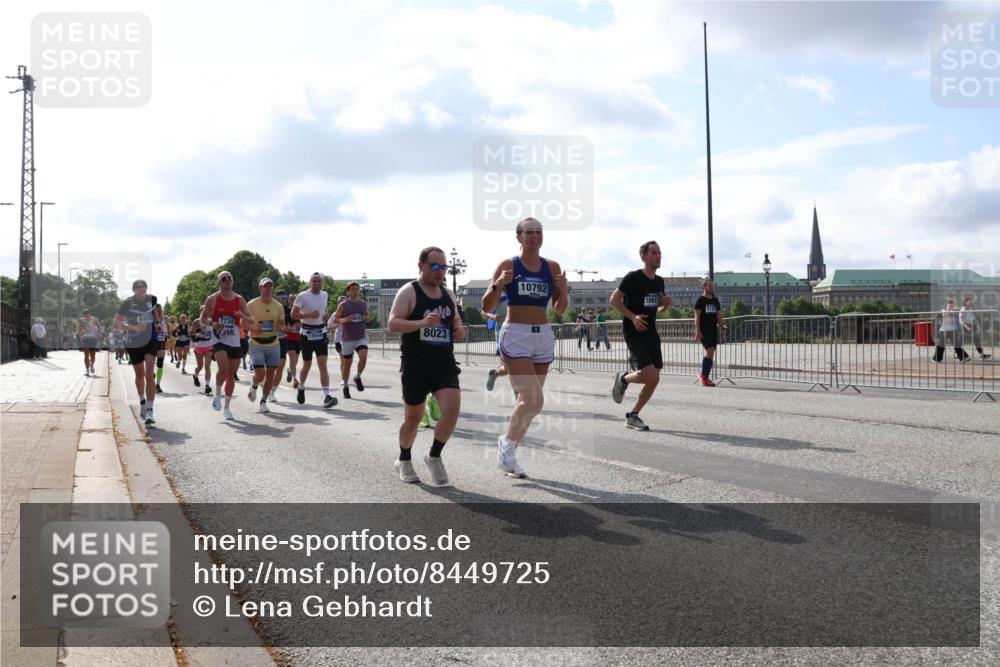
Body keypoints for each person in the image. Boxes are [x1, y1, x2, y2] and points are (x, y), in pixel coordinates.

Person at [482, 217, 568, 478]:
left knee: (527, 402)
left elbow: (559, 309)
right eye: (529, 232)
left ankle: (509, 449)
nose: (535, 236)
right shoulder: (508, 264)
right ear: (518, 237)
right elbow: (487, 305)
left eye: (538, 232)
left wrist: (564, 291)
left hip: (542, 336)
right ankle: (507, 447)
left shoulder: (552, 266)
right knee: (534, 399)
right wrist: (499, 284)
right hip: (516, 334)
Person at [388, 247, 467, 484]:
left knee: (451, 412)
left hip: (443, 362)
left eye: (443, 267)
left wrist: (459, 329)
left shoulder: (449, 295)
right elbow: (393, 323)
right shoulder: (408, 292)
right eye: (435, 266)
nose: (440, 271)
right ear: (421, 265)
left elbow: (456, 323)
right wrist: (422, 322)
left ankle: (433, 456)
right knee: (413, 418)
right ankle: (403, 459)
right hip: (416, 364)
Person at [610, 241, 672, 431]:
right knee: (649, 374)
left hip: (651, 332)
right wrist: (633, 317)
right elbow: (614, 300)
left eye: (659, 253)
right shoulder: (633, 277)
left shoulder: (659, 281)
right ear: (644, 257)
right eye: (654, 253)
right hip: (633, 331)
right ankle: (623, 380)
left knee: (655, 377)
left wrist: (665, 306)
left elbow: (657, 309)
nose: (658, 256)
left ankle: (633, 415)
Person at [200, 271, 257, 420]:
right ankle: (217, 393)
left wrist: (242, 316)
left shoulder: (239, 299)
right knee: (223, 370)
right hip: (219, 340)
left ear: (232, 282)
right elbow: (203, 318)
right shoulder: (212, 299)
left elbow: (252, 320)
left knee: (231, 375)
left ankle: (226, 407)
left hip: (234, 341)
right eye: (223, 279)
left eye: (229, 278)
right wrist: (213, 323)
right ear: (219, 283)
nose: (226, 281)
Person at [114, 279, 159, 425]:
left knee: (149, 373)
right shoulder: (127, 303)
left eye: (144, 287)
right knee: (139, 375)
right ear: (134, 290)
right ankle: (142, 402)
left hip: (150, 340)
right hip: (134, 342)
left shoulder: (152, 300)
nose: (142, 289)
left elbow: (154, 315)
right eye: (139, 288)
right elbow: (117, 324)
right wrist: (134, 328)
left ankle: (150, 411)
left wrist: (157, 324)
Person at [291, 272, 338, 408]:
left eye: (319, 281)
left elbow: (323, 310)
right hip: (306, 333)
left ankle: (327, 396)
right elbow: (293, 314)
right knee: (307, 365)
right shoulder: (302, 296)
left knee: (323, 365)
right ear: (310, 282)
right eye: (314, 281)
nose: (316, 283)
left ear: (322, 283)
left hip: (321, 332)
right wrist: (309, 315)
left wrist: (324, 316)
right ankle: (301, 386)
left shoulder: (325, 295)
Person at [246, 278, 285, 413]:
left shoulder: (278, 306)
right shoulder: (251, 304)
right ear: (260, 288)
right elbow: (242, 324)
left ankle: (263, 402)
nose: (268, 288)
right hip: (256, 343)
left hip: (274, 343)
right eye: (265, 286)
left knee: (270, 374)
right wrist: (253, 329)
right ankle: (254, 385)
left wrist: (280, 326)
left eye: (270, 286)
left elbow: (281, 322)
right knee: (260, 374)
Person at [331, 282, 371, 399]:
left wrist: (366, 317)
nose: (355, 291)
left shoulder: (364, 304)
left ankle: (357, 376)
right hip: (347, 338)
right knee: (347, 366)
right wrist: (346, 319)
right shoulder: (343, 305)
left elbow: (368, 317)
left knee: (363, 357)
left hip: (360, 336)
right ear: (348, 291)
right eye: (352, 289)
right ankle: (346, 386)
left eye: (357, 289)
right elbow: (336, 320)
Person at [694, 278, 725, 387]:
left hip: (713, 330)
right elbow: (697, 317)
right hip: (704, 331)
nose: (712, 288)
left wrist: (722, 326)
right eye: (709, 286)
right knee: (710, 351)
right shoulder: (700, 301)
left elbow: (718, 315)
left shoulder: (715, 300)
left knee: (711, 354)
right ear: (704, 287)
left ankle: (704, 376)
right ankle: (704, 377)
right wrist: (697, 332)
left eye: (713, 286)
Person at [274, 289, 301, 401]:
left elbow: (296, 324)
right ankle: (262, 383)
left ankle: (293, 378)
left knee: (287, 362)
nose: (283, 301)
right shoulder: (272, 309)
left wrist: (291, 327)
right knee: (271, 368)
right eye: (281, 298)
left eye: (285, 298)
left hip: (284, 339)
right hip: (269, 341)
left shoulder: (289, 311)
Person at [484, 293, 510, 391]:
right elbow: (484, 311)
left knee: (515, 367)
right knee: (509, 367)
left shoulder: (519, 286)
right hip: (502, 333)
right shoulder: (496, 289)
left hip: (519, 332)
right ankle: (520, 397)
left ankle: (494, 374)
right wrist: (492, 316)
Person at [933, 299, 970, 363]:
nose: (951, 307)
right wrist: (949, 310)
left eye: (952, 305)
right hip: (944, 331)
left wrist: (958, 329)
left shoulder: (953, 312)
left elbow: (956, 320)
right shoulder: (943, 311)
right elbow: (946, 315)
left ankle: (964, 357)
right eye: (949, 305)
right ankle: (937, 359)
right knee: (941, 345)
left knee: (957, 345)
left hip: (953, 331)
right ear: (946, 305)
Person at [190, 305, 214, 394]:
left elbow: (216, 332)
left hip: (209, 346)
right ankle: (195, 376)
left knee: (207, 366)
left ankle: (207, 386)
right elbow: (190, 332)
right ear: (200, 312)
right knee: (200, 366)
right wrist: (199, 330)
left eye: (206, 310)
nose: (204, 312)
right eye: (202, 311)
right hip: (199, 346)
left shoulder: (211, 321)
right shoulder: (197, 321)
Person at [77, 309, 101, 376]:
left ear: (90, 314)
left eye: (87, 314)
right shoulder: (81, 320)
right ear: (83, 315)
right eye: (85, 314)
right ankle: (87, 370)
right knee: (86, 355)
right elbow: (79, 329)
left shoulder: (94, 319)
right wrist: (81, 336)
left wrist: (98, 335)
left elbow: (99, 328)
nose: (86, 315)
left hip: (93, 338)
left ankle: (91, 365)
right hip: (85, 339)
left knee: (92, 355)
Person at [153, 304, 168, 393]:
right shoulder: (151, 319)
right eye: (157, 311)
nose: (158, 312)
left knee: (160, 362)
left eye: (160, 311)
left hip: (162, 341)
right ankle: (152, 375)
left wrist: (166, 336)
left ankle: (158, 384)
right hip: (152, 342)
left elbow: (166, 330)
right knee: (150, 363)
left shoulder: (165, 319)